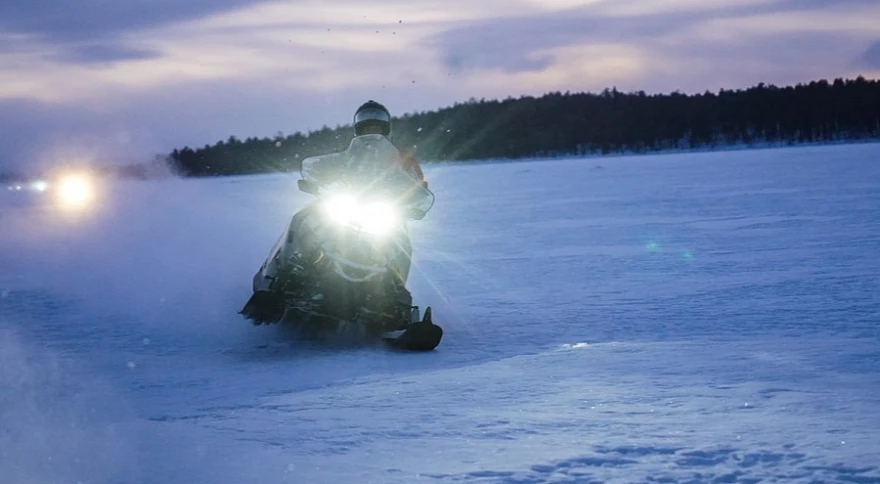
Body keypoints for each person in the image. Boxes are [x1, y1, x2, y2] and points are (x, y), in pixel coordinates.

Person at [352, 100, 427, 188]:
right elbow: (336, 175)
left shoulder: (402, 156)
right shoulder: (350, 155)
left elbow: (419, 184)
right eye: (367, 129)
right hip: (356, 198)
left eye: (376, 129)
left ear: (385, 130)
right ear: (359, 131)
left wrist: (416, 187)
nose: (372, 133)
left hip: (394, 199)